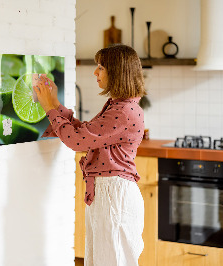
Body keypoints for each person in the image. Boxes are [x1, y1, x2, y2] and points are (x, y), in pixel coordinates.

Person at [34, 44, 146, 266]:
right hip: (109, 193)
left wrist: (49, 107)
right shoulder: (119, 106)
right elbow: (85, 133)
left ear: (117, 72)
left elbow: (77, 141)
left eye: (101, 67)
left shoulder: (123, 111)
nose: (95, 72)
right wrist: (55, 104)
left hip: (114, 196)